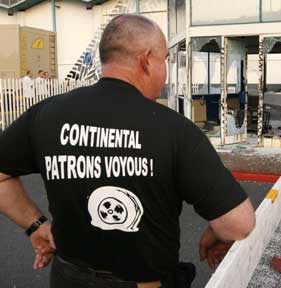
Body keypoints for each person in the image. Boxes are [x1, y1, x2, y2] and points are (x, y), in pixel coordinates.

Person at [0, 14, 255, 288]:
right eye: (164, 60)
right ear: (147, 60)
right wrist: (218, 231)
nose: (164, 70)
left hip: (68, 279)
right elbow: (238, 223)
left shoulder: (46, 115)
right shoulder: (174, 129)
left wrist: (35, 225)